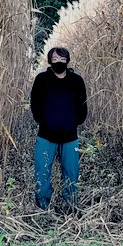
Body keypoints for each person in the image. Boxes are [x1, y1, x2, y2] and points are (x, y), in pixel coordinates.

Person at [29, 46, 87, 212]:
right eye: (55, 60)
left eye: (62, 60)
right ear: (50, 61)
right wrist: (44, 122)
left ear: (67, 60)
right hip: (46, 136)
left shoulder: (76, 81)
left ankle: (70, 207)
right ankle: (43, 207)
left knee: (71, 173)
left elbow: (83, 105)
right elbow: (35, 104)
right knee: (42, 172)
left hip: (70, 137)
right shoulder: (41, 79)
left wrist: (75, 122)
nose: (59, 62)